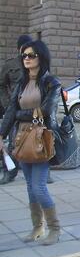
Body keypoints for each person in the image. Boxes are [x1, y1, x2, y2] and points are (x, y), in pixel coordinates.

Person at [0, 40, 61, 245]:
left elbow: (46, 111)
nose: (26, 58)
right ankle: (37, 227)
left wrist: (19, 113)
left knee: (39, 187)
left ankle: (54, 228)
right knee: (29, 186)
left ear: (41, 57)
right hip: (21, 138)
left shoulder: (51, 82)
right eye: (24, 55)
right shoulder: (22, 83)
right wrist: (1, 134)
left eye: (31, 55)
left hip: (41, 138)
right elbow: (10, 111)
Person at [0, 34, 32, 184]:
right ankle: (9, 171)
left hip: (33, 108)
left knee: (38, 139)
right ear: (19, 48)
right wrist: (7, 103)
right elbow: (1, 85)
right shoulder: (10, 65)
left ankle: (42, 171)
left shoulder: (37, 63)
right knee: (13, 142)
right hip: (14, 109)